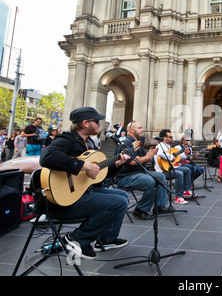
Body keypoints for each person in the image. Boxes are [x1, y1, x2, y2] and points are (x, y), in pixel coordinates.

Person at [39, 106, 129, 259]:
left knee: (123, 195)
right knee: (119, 202)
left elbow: (98, 175)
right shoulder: (66, 139)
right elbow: (46, 157)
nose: (100, 124)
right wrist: (84, 165)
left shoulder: (90, 144)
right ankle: (77, 239)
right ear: (86, 123)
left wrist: (117, 164)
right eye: (97, 121)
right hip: (63, 201)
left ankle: (107, 239)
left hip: (83, 191)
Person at [115, 120, 170, 220]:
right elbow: (132, 162)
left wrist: (149, 155)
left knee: (161, 176)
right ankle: (140, 210)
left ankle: (159, 206)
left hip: (139, 173)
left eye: (142, 128)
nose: (142, 130)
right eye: (139, 128)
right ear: (131, 130)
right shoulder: (127, 142)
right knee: (151, 182)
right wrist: (147, 156)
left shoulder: (137, 143)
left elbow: (141, 161)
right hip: (126, 176)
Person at [154, 129, 192, 204]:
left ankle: (185, 190)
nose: (172, 138)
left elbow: (179, 157)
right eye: (170, 137)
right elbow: (160, 153)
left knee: (187, 170)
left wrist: (185, 153)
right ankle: (178, 197)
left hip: (170, 168)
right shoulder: (160, 145)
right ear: (164, 138)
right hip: (162, 171)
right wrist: (171, 157)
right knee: (179, 174)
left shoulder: (168, 146)